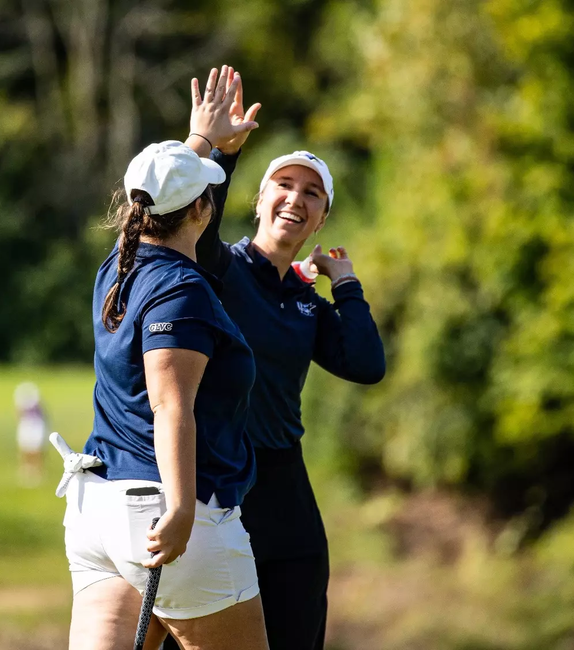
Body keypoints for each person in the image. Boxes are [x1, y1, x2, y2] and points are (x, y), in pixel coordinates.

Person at [53, 67, 270, 650]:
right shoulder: (184, 289)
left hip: (97, 515)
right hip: (165, 517)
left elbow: (164, 187)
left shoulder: (118, 265)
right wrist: (179, 510)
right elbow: (172, 405)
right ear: (203, 210)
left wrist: (202, 140)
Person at [178, 67, 387, 650]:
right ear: (262, 199)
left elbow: (366, 364)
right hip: (216, 480)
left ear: (322, 218)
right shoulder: (220, 267)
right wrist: (224, 151)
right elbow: (201, 219)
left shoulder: (305, 301)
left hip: (285, 486)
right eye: (284, 186)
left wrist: (344, 284)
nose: (296, 198)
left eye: (311, 193)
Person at [14, 381, 46, 485]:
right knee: (26, 448)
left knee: (36, 448)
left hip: (35, 424)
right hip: (27, 424)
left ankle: (36, 471)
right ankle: (27, 470)